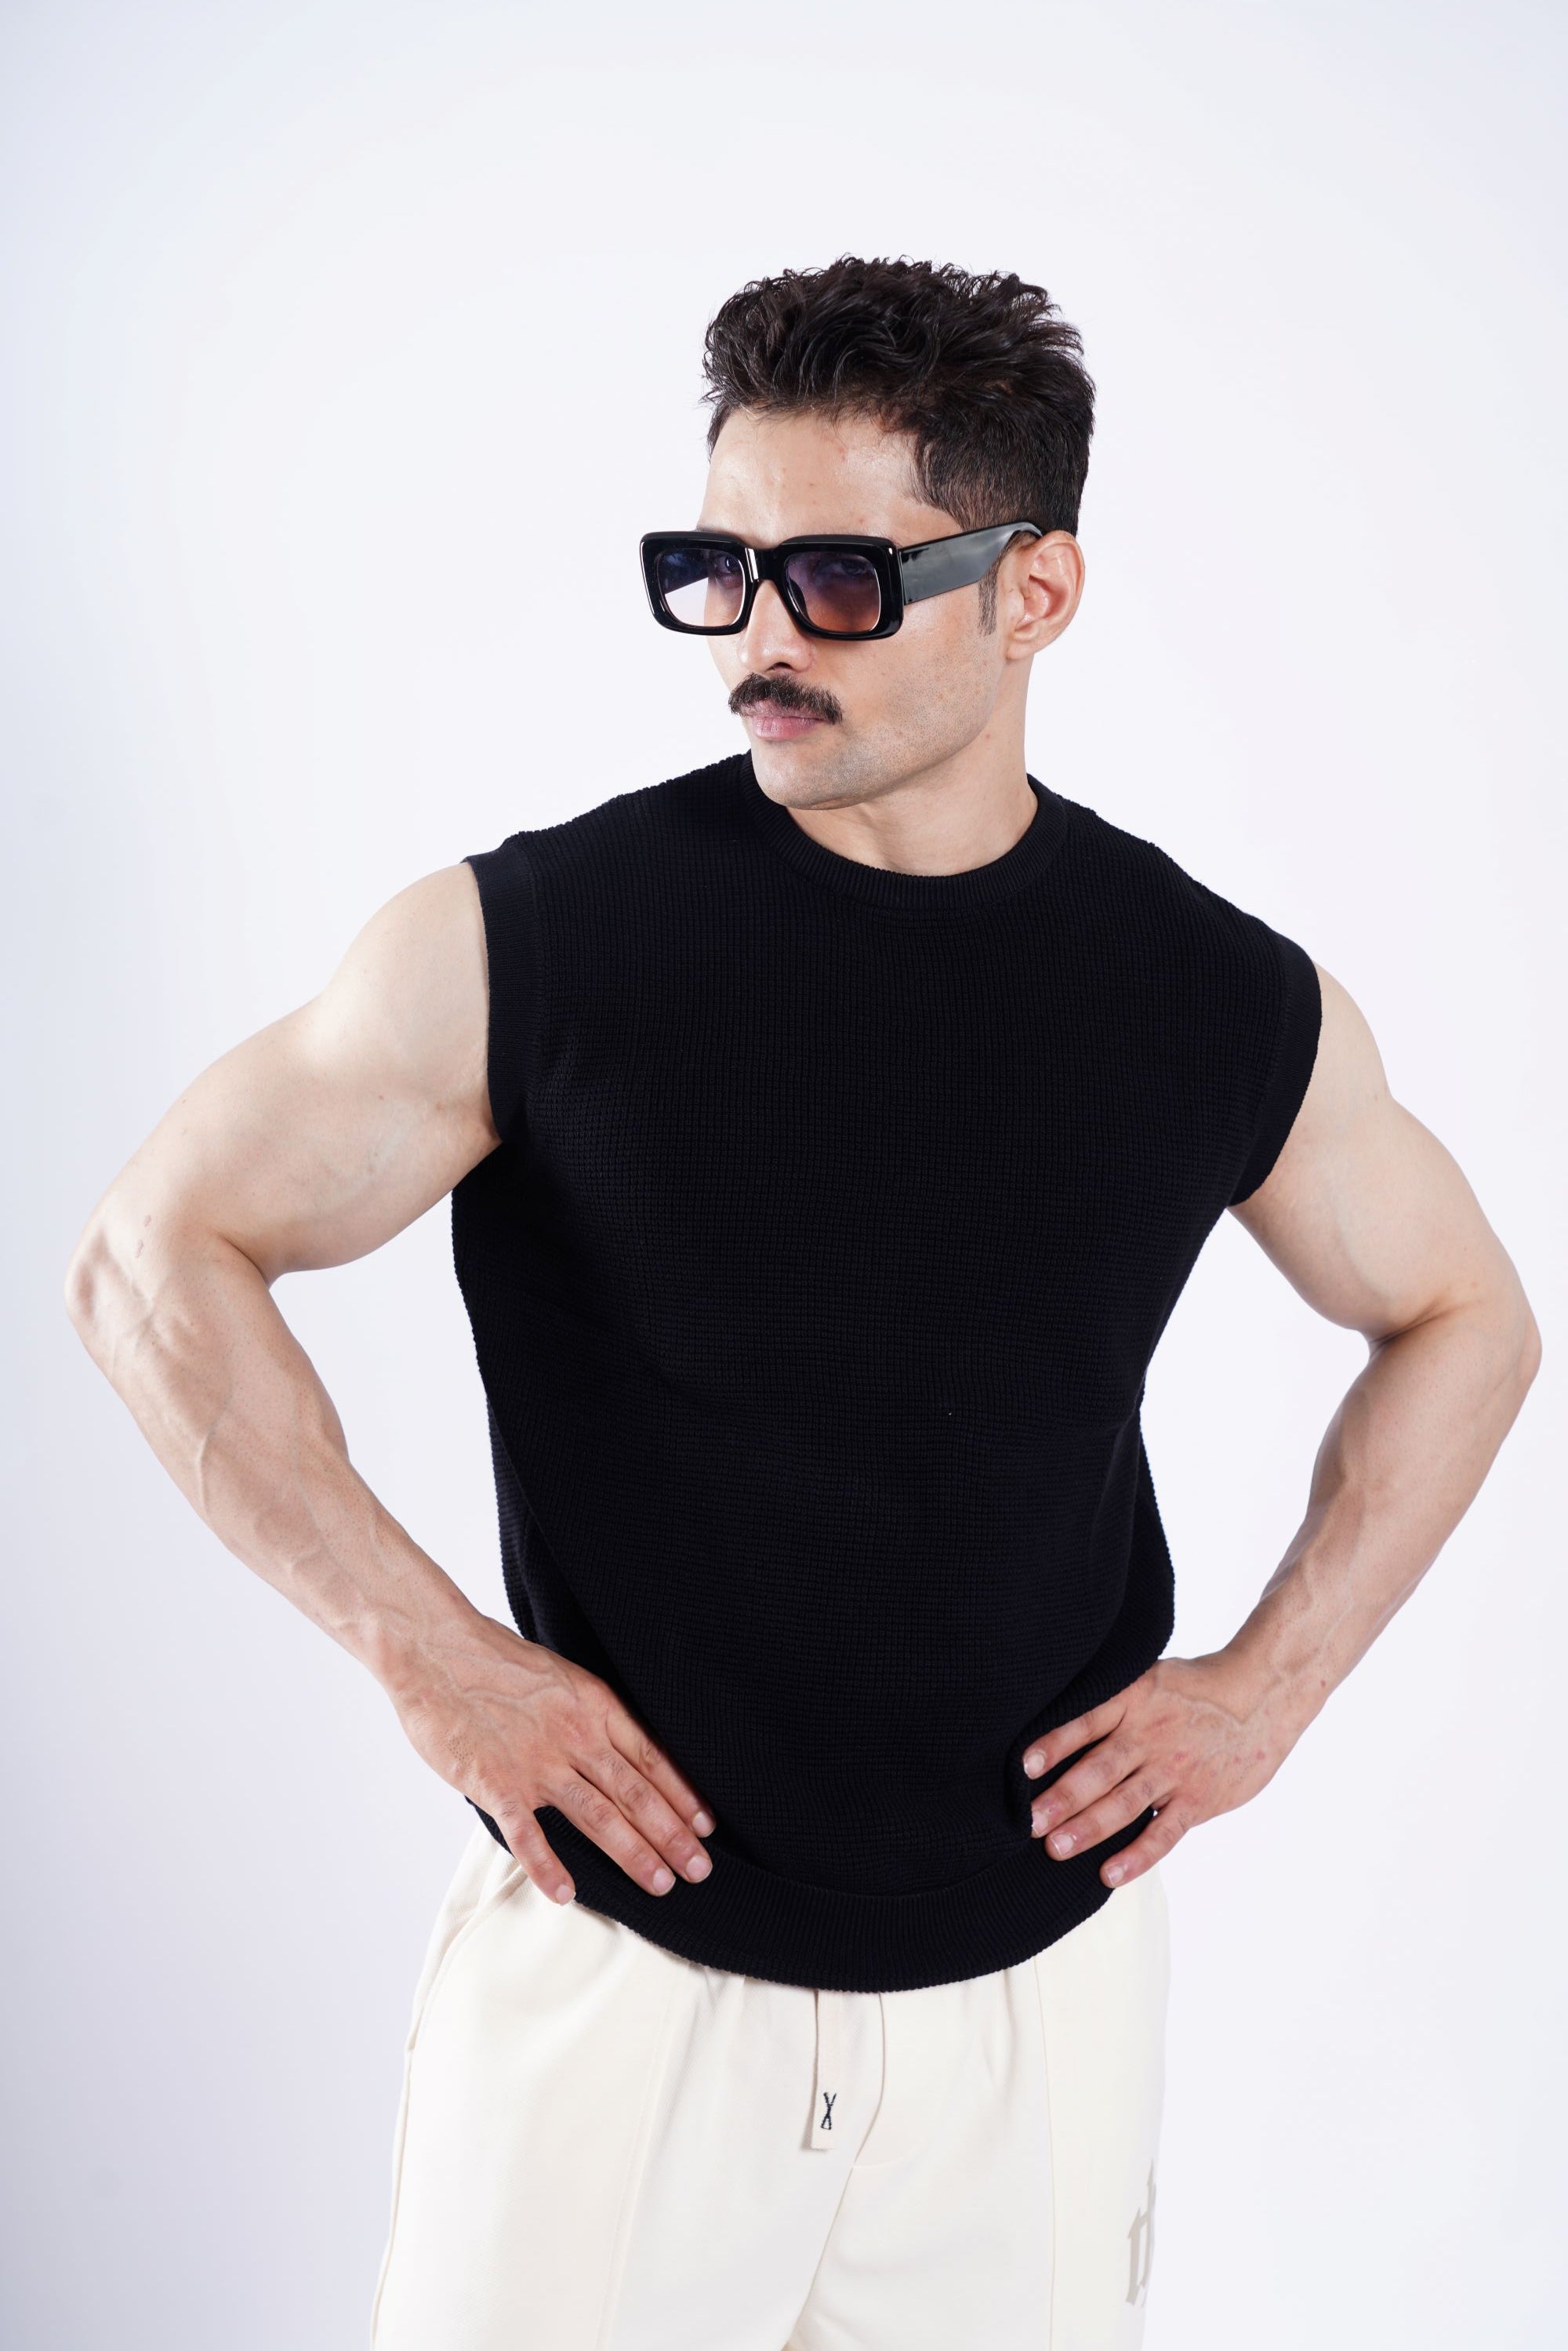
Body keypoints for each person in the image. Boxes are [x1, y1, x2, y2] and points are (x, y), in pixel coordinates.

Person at [64, 256, 1541, 2351]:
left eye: (840, 580)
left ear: (1035, 593)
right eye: (717, 572)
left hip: (1037, 2001)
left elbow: (1468, 1314)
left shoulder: (1215, 996)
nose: (759, 641)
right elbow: (150, 1255)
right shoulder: (533, 948)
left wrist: (1268, 1690)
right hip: (622, 1971)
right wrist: (434, 1658)